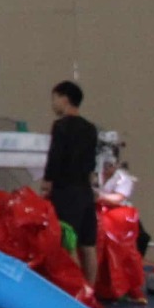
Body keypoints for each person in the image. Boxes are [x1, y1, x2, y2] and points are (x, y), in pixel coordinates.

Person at [39, 81, 99, 288]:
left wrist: (47, 182)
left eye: (54, 99)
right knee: (88, 245)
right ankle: (89, 290)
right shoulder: (90, 129)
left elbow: (55, 157)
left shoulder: (61, 126)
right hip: (85, 192)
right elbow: (91, 163)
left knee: (68, 243)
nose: (53, 104)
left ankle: (76, 289)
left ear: (64, 99)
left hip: (66, 192)